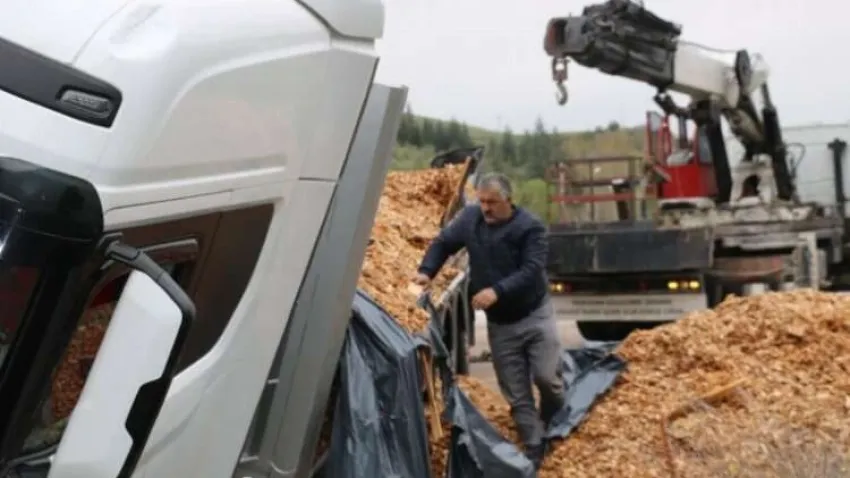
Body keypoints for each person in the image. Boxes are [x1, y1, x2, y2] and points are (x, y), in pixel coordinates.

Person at [411, 172, 566, 470]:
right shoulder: (471, 219)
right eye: (481, 201)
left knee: (548, 379)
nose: (485, 208)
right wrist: (426, 271)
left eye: (492, 202)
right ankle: (534, 447)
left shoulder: (529, 227)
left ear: (508, 200)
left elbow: (532, 269)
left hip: (535, 315)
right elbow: (444, 243)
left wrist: (497, 290)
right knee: (516, 391)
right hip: (501, 325)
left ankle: (556, 417)